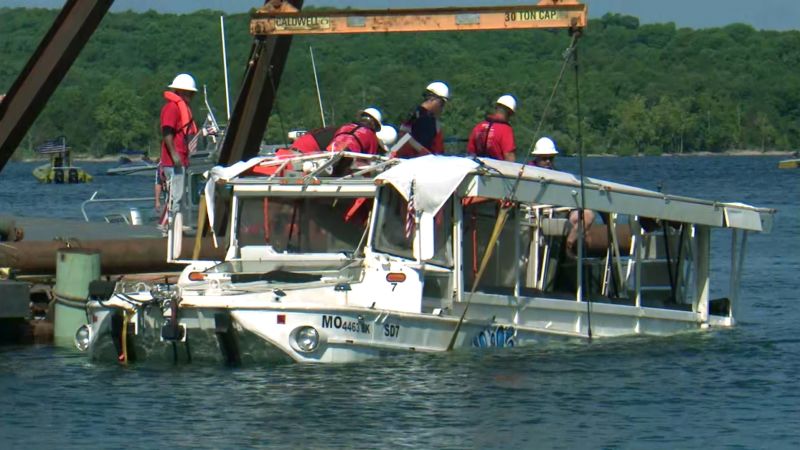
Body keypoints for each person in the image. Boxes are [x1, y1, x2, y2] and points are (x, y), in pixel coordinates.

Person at [530, 137, 596, 253]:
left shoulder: (557, 174)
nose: (548, 162)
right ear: (537, 157)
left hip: (560, 209)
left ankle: (569, 243)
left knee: (587, 216)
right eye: (544, 159)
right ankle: (568, 249)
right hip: (539, 212)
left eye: (551, 158)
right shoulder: (528, 172)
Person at [158, 73, 198, 228]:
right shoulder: (172, 108)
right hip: (174, 161)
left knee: (177, 195)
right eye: (188, 92)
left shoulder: (179, 108)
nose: (191, 96)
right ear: (180, 92)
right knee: (175, 196)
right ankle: (169, 226)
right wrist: (175, 155)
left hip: (179, 159)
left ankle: (173, 224)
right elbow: (167, 132)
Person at [396, 81, 449, 158]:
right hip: (419, 163)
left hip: (406, 160)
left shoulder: (413, 113)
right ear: (435, 100)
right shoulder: (428, 121)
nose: (442, 108)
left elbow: (403, 137)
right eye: (442, 104)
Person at [467, 95, 518, 162]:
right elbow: (509, 156)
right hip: (498, 170)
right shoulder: (506, 130)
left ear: (496, 107)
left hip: (478, 168)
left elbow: (471, 153)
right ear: (510, 113)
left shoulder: (478, 127)